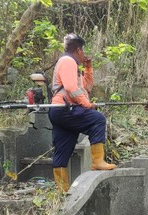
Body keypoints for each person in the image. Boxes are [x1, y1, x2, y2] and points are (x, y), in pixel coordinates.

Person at [49, 33, 116, 193]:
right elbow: (72, 89)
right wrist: (86, 105)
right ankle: (98, 161)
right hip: (65, 109)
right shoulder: (67, 61)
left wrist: (88, 68)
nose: (84, 53)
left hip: (60, 112)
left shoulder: (72, 66)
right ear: (78, 50)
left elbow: (86, 87)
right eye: (83, 50)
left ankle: (62, 192)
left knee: (62, 150)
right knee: (98, 119)